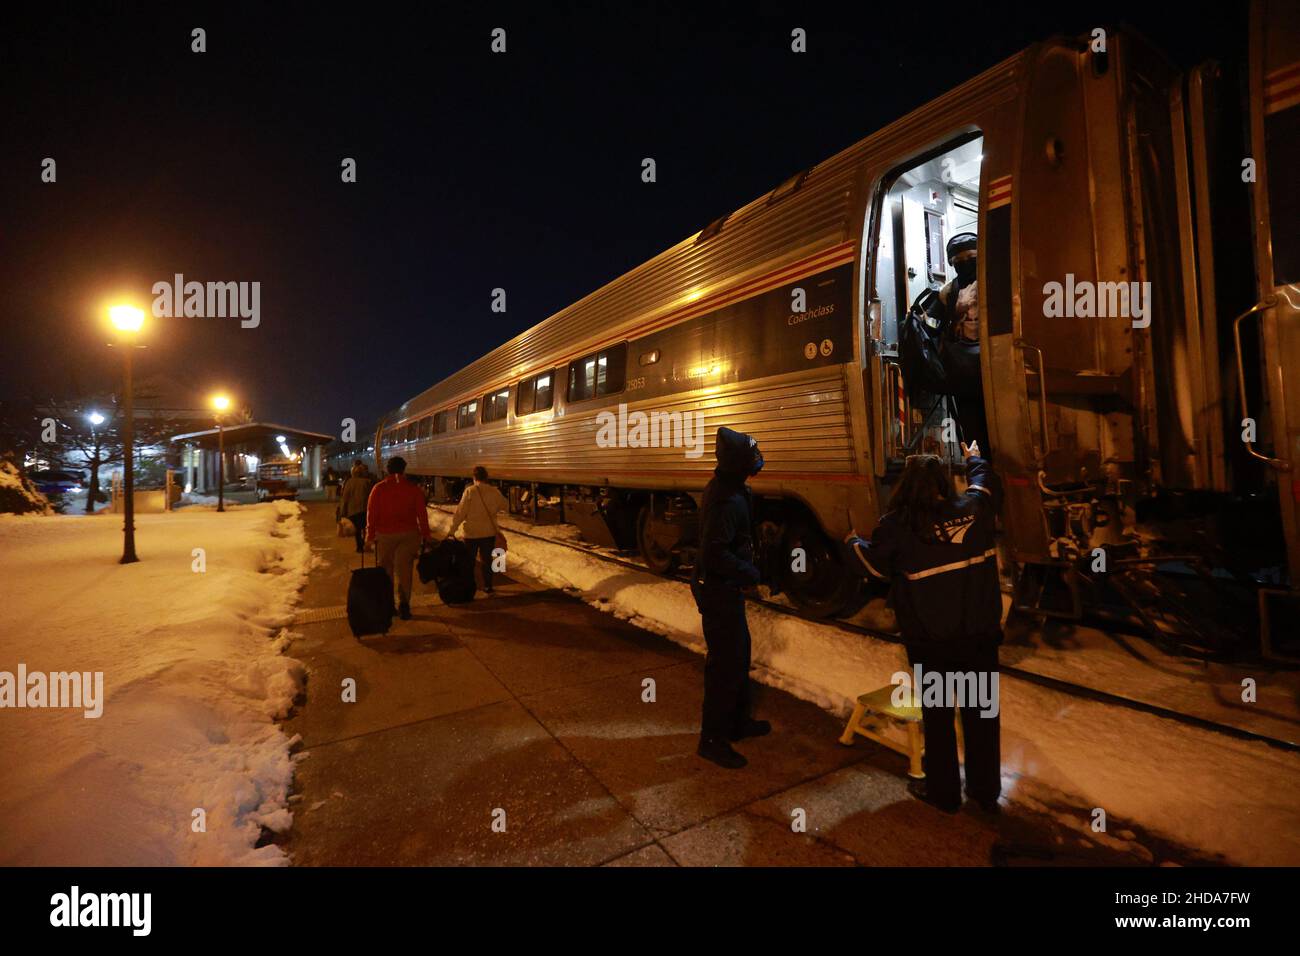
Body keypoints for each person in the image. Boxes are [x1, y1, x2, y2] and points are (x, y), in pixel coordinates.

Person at [843, 441, 1003, 815]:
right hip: (979, 641)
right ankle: (985, 793)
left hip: (933, 648)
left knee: (940, 719)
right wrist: (973, 457)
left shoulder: (896, 528)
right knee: (982, 718)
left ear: (904, 485)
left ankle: (944, 794)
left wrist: (851, 541)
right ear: (944, 483)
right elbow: (985, 481)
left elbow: (870, 565)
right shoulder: (975, 510)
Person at [692, 427, 770, 770]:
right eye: (751, 462)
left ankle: (738, 722)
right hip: (717, 587)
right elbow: (714, 553)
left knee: (739, 655)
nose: (756, 467)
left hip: (725, 587)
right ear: (738, 464)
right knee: (724, 664)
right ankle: (712, 739)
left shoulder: (734, 489)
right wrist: (751, 573)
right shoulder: (725, 499)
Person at [364, 456, 432, 620]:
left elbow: (371, 514)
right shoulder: (413, 489)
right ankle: (404, 606)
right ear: (403, 470)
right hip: (408, 535)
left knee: (386, 571)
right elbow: (422, 515)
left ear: (388, 470)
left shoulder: (378, 489)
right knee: (405, 571)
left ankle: (388, 606)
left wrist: (369, 536)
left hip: (385, 536)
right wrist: (426, 535)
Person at [447, 466, 509, 595]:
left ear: (474, 478)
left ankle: (471, 586)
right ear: (486, 477)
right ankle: (488, 586)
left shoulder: (469, 491)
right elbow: (505, 505)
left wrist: (452, 530)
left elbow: (460, 513)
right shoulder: (494, 491)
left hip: (471, 534)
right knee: (487, 561)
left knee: (469, 562)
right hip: (488, 533)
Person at [337, 463, 373, 553]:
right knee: (365, 528)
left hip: (353, 511)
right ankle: (366, 544)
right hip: (364, 510)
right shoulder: (367, 482)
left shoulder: (349, 482)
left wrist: (343, 512)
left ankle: (359, 547)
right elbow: (371, 496)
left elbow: (345, 498)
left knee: (356, 530)